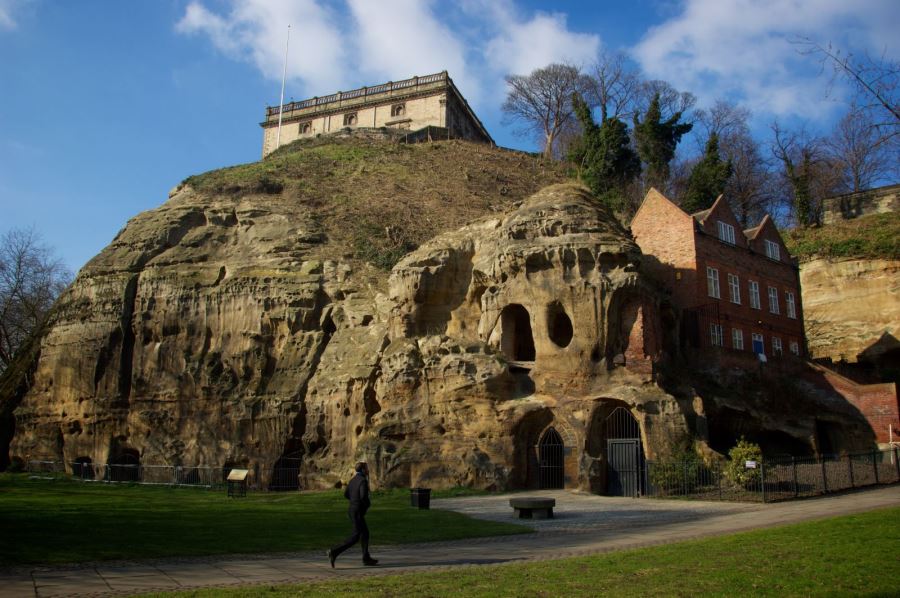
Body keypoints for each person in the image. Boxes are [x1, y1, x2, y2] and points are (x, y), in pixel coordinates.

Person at [327, 461, 378, 567]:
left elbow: (346, 494)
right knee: (355, 536)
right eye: (367, 468)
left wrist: (354, 501)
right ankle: (334, 552)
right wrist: (367, 504)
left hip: (352, 510)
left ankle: (366, 558)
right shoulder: (363, 481)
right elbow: (363, 496)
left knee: (365, 533)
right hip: (357, 511)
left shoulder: (353, 480)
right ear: (363, 470)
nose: (368, 470)